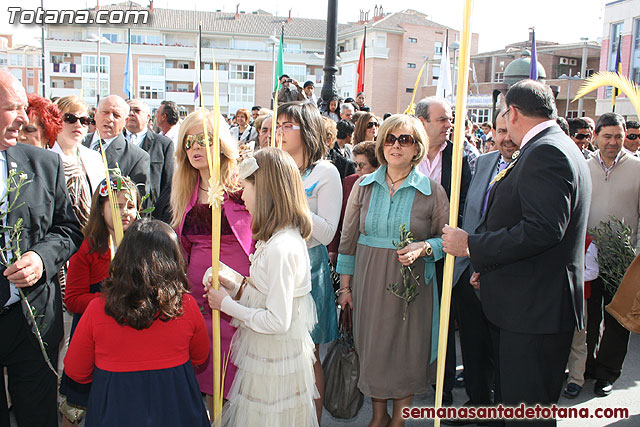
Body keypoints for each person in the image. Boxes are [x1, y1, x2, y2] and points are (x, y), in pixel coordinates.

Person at [442, 80, 592, 425]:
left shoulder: (547, 151)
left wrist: (471, 245)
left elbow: (543, 230)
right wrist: (490, 265)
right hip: (529, 304)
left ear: (512, 112)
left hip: (535, 312)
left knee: (527, 413)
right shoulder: (552, 146)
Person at [337, 114, 448, 426]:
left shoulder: (432, 190)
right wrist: (345, 289)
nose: (396, 145)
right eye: (390, 138)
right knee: (373, 348)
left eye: (405, 139)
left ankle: (398, 419)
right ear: (381, 144)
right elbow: (348, 240)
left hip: (412, 285)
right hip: (368, 279)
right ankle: (378, 415)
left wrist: (425, 248)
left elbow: (445, 239)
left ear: (417, 149)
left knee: (406, 351)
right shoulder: (362, 186)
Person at [205, 147, 318, 427]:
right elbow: (266, 294)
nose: (242, 196)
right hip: (268, 354)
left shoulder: (282, 247)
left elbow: (278, 320)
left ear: (265, 190)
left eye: (246, 187)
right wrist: (234, 281)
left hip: (274, 358)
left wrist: (226, 305)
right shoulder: (276, 239)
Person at [64, 219, 210, 427]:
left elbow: (76, 370)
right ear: (173, 261)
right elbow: (200, 356)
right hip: (176, 410)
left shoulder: (97, 309)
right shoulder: (185, 306)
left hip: (115, 410)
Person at [0, 70, 83, 427]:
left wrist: (40, 258)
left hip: (33, 320)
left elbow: (68, 229)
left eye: (23, 107)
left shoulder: (44, 165)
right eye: (11, 108)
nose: (23, 117)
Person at [171, 110, 253, 413]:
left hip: (238, 294)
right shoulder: (184, 189)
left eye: (203, 140)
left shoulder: (242, 183)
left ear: (219, 143)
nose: (194, 148)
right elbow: (183, 246)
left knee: (237, 374)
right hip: (197, 299)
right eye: (188, 142)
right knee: (204, 372)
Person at [447, 111, 516, 418]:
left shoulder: (529, 167)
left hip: (506, 275)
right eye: (499, 131)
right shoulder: (484, 163)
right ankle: (477, 404)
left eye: (510, 131)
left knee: (504, 356)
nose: (505, 138)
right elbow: (473, 215)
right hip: (470, 273)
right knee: (474, 348)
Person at [277, 101, 341, 421]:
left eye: (288, 126)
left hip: (310, 266)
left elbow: (328, 233)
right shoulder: (276, 167)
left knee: (307, 354)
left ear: (307, 131)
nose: (280, 132)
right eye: (278, 126)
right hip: (276, 267)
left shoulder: (325, 172)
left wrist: (294, 200)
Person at [59, 176, 141, 425]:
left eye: (130, 206)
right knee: (76, 406)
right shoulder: (89, 249)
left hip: (129, 337)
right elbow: (72, 299)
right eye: (117, 206)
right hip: (92, 336)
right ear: (100, 208)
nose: (125, 212)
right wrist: (107, 300)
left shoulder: (140, 245)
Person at [415, 96, 472, 404]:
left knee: (444, 320)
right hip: (407, 251)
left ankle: (443, 386)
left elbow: (466, 204)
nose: (449, 125)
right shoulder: (406, 151)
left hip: (445, 253)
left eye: (450, 119)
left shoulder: (461, 156)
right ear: (422, 122)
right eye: (442, 119)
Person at [585, 112, 640, 397]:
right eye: (607, 136)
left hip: (624, 261)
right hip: (588, 259)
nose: (613, 142)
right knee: (589, 318)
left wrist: (636, 253)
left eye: (619, 136)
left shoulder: (637, 168)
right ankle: (587, 367)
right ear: (596, 137)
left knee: (618, 320)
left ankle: (607, 373)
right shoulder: (583, 167)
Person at [83, 95, 151, 197]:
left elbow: (138, 202)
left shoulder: (137, 158)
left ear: (126, 121)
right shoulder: (78, 144)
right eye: (105, 112)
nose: (109, 118)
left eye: (116, 115)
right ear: (96, 114)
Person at [125, 99, 175, 223]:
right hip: (121, 216)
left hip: (151, 217)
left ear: (148, 117)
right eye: (128, 111)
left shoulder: (163, 145)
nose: (131, 114)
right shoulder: (115, 143)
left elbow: (168, 184)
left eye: (136, 111)